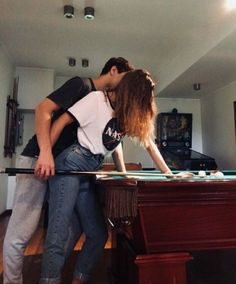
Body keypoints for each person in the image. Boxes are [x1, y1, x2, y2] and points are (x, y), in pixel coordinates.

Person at [3, 57, 134, 284]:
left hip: (63, 167)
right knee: (22, 231)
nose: (125, 87)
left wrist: (122, 174)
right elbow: (43, 109)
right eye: (124, 79)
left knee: (75, 227)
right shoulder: (81, 86)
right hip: (38, 157)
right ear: (113, 70)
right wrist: (45, 153)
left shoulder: (106, 103)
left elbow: (112, 142)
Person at [39, 69, 172, 284]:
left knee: (98, 234)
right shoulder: (96, 99)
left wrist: (169, 174)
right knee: (59, 229)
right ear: (130, 93)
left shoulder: (125, 113)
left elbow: (148, 143)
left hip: (89, 170)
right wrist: (45, 155)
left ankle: (78, 280)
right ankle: (48, 281)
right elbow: (61, 121)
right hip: (71, 164)